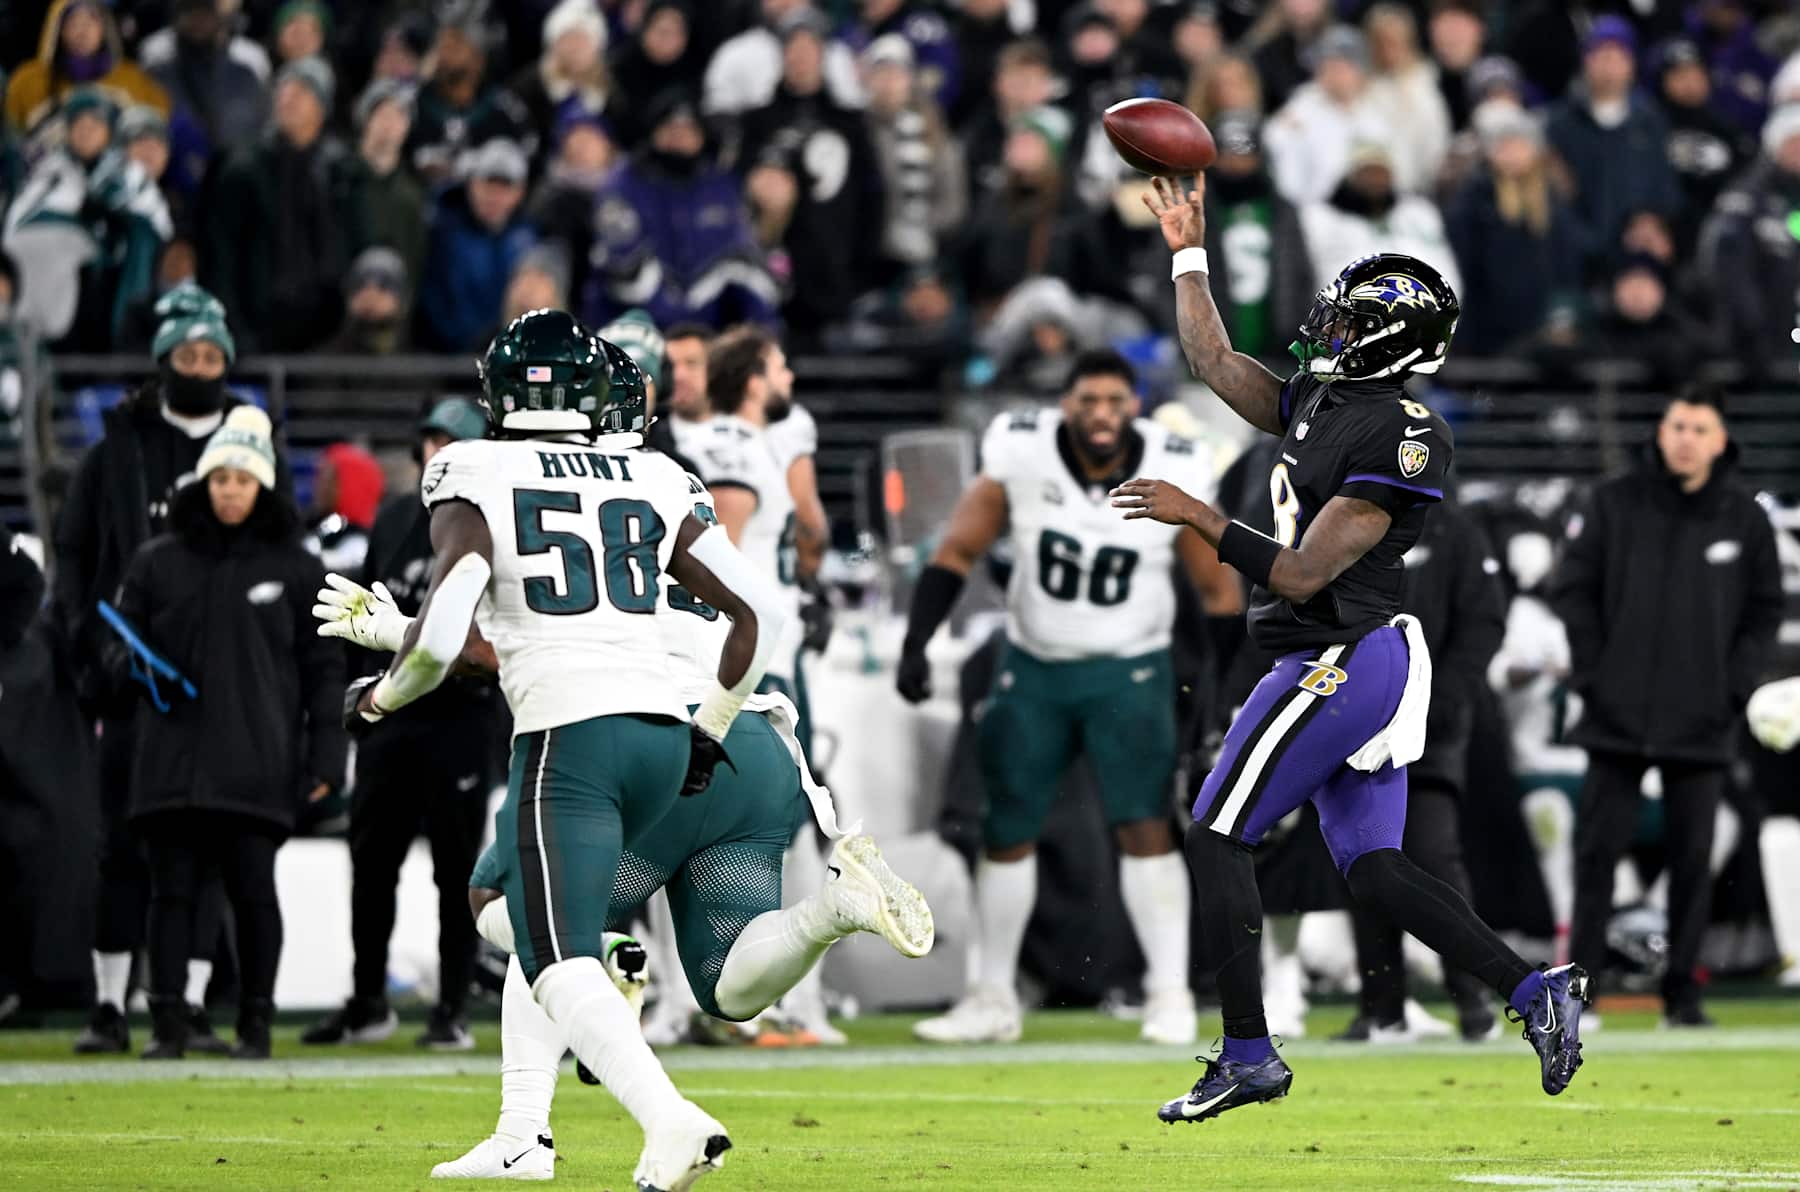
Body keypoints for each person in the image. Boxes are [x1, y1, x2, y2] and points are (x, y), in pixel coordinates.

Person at [313, 384, 930, 1183]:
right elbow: (735, 615)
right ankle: (827, 913)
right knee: (725, 988)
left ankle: (544, 1092)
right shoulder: (664, 486)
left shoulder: (519, 483)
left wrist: (398, 642)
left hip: (635, 733)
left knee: (512, 909)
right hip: (748, 738)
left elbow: (531, 640)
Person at [1118, 177, 1590, 1122]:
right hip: (1339, 654)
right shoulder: (1324, 397)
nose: (1330, 322)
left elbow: (1298, 574)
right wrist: (1189, 250)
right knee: (1375, 869)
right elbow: (1212, 356)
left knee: (1215, 834)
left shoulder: (1409, 433)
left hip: (1342, 654)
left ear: (1393, 337)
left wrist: (1195, 512)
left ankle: (1247, 1052)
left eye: (1351, 314)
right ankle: (1537, 992)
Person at [334, 307, 791, 1189]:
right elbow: (756, 618)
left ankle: (669, 1121)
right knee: (544, 929)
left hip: (570, 737)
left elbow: (442, 632)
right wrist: (712, 727)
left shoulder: (471, 466)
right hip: (661, 734)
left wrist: (379, 696)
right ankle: (523, 1137)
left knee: (546, 951)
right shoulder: (653, 473)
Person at [897, 347, 1242, 1046]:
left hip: (1130, 669)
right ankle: (993, 996)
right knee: (1006, 831)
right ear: (1067, 405)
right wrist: (916, 641)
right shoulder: (1020, 451)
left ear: (1134, 406)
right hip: (1036, 666)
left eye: (1115, 401)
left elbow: (1218, 588)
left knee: (1145, 826)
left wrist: (1224, 692)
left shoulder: (1174, 461)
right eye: (1088, 401)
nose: (1102, 415)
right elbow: (957, 550)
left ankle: (1169, 992)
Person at [52, 286, 283, 1056]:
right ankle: (110, 1006)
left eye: (213, 357)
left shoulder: (244, 446)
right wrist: (95, 653)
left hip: (215, 696)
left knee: (207, 859)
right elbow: (76, 554)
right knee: (119, 844)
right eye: (188, 356)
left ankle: (184, 1008)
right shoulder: (115, 450)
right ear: (164, 361)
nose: (201, 368)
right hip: (131, 688)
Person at [110, 405, 345, 1059]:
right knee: (171, 894)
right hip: (170, 763)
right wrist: (125, 665)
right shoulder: (156, 562)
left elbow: (325, 670)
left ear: (263, 485)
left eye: (243, 479)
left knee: (251, 893)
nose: (231, 490)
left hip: (256, 762)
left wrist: (327, 754)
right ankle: (166, 1026)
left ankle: (257, 1025)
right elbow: (115, 649)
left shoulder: (298, 569)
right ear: (203, 484)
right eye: (220, 479)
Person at [1551, 387, 1782, 1027]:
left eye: (1698, 428)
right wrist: (1596, 676)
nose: (1684, 437)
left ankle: (1683, 995)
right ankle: (1579, 995)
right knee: (1594, 861)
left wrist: (1731, 688)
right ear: (1661, 431)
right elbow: (1573, 590)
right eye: (1676, 424)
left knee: (1692, 864)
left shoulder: (1744, 518)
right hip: (1614, 716)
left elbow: (1765, 614)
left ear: (1719, 439)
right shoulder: (1613, 502)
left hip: (1702, 721)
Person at [302, 398, 497, 1052]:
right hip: (393, 717)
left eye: (453, 442)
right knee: (372, 864)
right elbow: (365, 615)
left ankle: (453, 1008)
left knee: (456, 872)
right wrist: (364, 692)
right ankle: (366, 1001)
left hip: (461, 720)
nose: (438, 452)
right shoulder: (392, 519)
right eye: (433, 440)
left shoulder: (494, 522)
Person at [1337, 498, 1506, 1043]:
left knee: (1434, 858)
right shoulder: (1343, 520)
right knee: (1365, 859)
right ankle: (1382, 1008)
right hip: (1358, 721)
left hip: (1429, 730)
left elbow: (1483, 624)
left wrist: (1438, 699)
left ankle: (1473, 998)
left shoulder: (1456, 530)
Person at [739, 11, 885, 345]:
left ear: (823, 54)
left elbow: (873, 197)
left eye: (809, 48)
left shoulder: (850, 122)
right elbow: (738, 189)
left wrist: (863, 268)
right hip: (774, 275)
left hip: (837, 271)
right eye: (792, 48)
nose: (800, 57)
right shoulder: (757, 122)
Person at [583, 89, 777, 329]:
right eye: (670, 129)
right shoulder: (623, 184)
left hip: (706, 329)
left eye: (688, 130)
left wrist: (762, 327)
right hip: (630, 325)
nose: (679, 137)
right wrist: (681, 322)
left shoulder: (721, 184)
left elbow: (741, 260)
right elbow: (623, 269)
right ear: (654, 133)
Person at [200, 57, 351, 354]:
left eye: (302, 92)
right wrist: (234, 330)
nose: (288, 99)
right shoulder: (242, 167)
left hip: (321, 337)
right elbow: (221, 256)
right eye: (284, 90)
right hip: (255, 332)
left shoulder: (339, 171)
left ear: (321, 109)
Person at [4, 88, 172, 350]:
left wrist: (114, 221)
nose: (86, 131)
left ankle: (125, 341)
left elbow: (154, 226)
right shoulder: (49, 173)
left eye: (95, 123)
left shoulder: (130, 176)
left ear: (109, 131)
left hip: (115, 283)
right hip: (62, 288)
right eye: (79, 124)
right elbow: (20, 226)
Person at [1444, 106, 1584, 356]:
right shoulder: (1474, 197)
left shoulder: (1553, 200)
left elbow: (1567, 263)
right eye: (1504, 146)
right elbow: (1460, 257)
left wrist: (1562, 315)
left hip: (1539, 324)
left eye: (1520, 145)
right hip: (1485, 322)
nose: (1512, 154)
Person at [1544, 17, 1679, 276]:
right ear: (1586, 61)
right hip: (1575, 256)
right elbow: (1555, 195)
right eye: (1601, 56)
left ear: (1631, 65)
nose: (1609, 66)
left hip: (1636, 258)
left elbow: (1664, 184)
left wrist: (1652, 220)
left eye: (1618, 57)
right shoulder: (1559, 123)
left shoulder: (1650, 121)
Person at [1697, 104, 1800, 375]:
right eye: (1794, 142)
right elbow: (1727, 262)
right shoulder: (1746, 197)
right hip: (1760, 343)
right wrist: (1752, 324)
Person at [416, 138, 537, 353]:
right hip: (448, 359)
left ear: (519, 193)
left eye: (504, 189)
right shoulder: (443, 233)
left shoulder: (528, 240)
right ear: (471, 185)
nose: (494, 197)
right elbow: (432, 299)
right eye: (488, 186)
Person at [1297, 140, 1462, 295]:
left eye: (1381, 172)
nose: (1375, 180)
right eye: (1368, 172)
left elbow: (1443, 267)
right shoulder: (1321, 220)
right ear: (1351, 175)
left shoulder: (1417, 214)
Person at [4, 0, 169, 148]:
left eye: (91, 22)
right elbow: (10, 136)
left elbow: (158, 136)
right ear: (56, 29)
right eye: (73, 23)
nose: (82, 32)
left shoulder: (132, 79)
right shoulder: (28, 81)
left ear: (105, 28)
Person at [1262, 25, 1390, 207]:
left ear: (1360, 70)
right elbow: (1273, 141)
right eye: (1330, 65)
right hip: (1315, 213)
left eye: (1344, 66)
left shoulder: (1375, 109)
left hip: (1366, 210)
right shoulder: (1302, 105)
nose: (1336, 74)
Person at [346, 81, 426, 294]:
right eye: (383, 114)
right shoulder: (337, 178)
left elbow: (413, 265)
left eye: (399, 116)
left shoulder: (412, 195)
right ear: (366, 119)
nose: (390, 124)